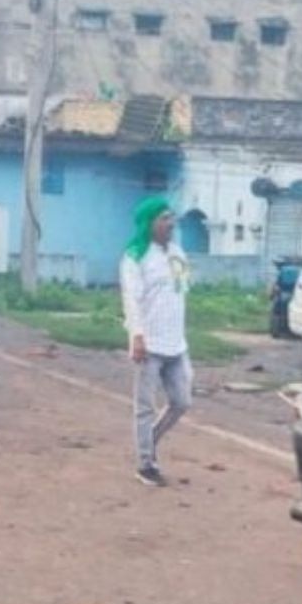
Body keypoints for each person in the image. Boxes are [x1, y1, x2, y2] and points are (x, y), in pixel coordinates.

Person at [120, 196, 191, 488]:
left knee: (182, 402)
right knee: (144, 406)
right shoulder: (135, 257)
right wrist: (136, 336)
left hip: (177, 343)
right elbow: (131, 299)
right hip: (149, 344)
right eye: (163, 218)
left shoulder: (177, 253)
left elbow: (180, 292)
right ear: (149, 224)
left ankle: (150, 441)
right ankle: (146, 464)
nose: (170, 223)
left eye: (171, 217)